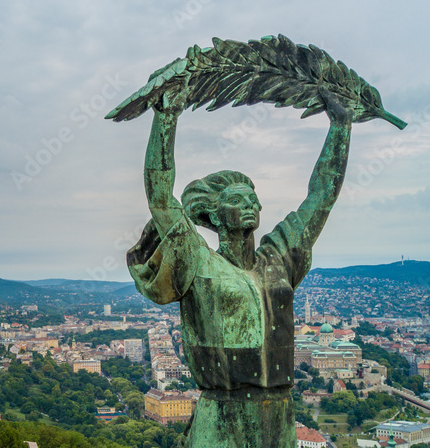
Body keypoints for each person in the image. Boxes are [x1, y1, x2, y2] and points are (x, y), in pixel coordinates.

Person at [127, 87, 354, 447]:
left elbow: (321, 197)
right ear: (216, 215)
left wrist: (341, 127)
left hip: (278, 414)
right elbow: (160, 197)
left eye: (252, 199)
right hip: (222, 414)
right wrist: (166, 118)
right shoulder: (198, 261)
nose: (248, 204)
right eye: (236, 199)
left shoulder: (278, 260)